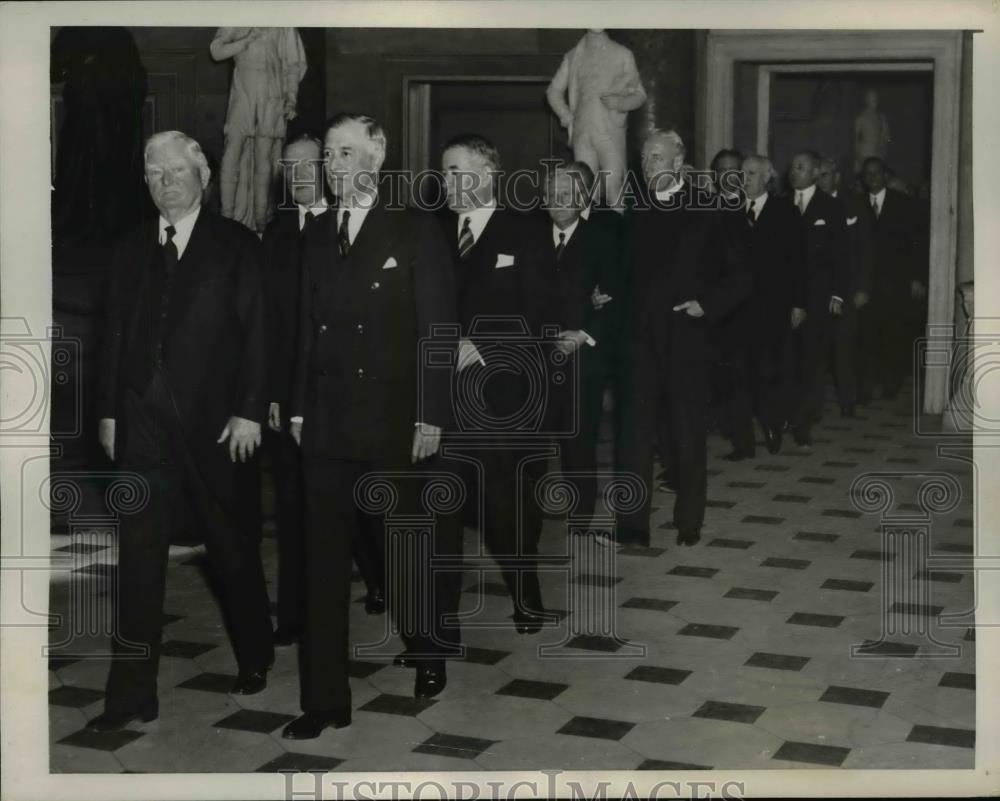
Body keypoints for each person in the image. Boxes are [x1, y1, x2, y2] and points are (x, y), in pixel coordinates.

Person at [89, 131, 274, 732]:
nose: (164, 181)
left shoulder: (237, 245)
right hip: (142, 420)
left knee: (230, 547)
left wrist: (249, 409)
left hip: (216, 425)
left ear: (203, 177)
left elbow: (258, 335)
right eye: (153, 173)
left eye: (175, 170)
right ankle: (131, 695)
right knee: (138, 558)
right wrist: (111, 413)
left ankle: (255, 651)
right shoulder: (127, 247)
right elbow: (112, 337)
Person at [284, 113, 457, 739]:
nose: (334, 167)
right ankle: (325, 700)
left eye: (346, 154)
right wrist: (299, 407)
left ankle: (428, 647)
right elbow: (305, 326)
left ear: (377, 158)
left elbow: (439, 331)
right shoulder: (316, 232)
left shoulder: (414, 228)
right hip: (326, 422)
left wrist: (432, 413)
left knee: (402, 547)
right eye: (328, 156)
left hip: (393, 420)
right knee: (321, 563)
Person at [437, 133, 551, 634]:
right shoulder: (433, 230)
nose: (448, 182)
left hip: (502, 395)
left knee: (505, 506)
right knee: (439, 507)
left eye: (458, 171)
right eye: (444, 172)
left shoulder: (526, 232)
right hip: (439, 395)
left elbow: (542, 313)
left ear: (487, 175)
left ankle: (526, 594)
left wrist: (482, 346)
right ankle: (439, 621)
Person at [615, 130, 748, 548]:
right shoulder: (633, 208)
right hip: (639, 340)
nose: (650, 165)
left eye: (657, 157)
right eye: (645, 158)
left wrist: (706, 304)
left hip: (687, 339)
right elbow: (622, 269)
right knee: (634, 437)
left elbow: (742, 275)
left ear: (679, 161)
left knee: (687, 434)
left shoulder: (708, 206)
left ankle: (689, 521)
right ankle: (633, 528)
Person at [259, 135, 327, 648]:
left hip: (343, 393)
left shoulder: (349, 223)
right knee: (293, 505)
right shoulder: (277, 233)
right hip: (288, 395)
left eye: (309, 163)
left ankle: (378, 580)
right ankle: (298, 614)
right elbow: (271, 326)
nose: (299, 173)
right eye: (290, 166)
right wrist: (272, 394)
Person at [538, 161, 620, 522]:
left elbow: (617, 297)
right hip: (537, 356)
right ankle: (529, 512)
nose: (558, 201)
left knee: (578, 441)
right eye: (552, 195)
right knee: (533, 440)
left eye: (567, 195)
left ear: (582, 198)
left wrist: (584, 334)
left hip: (582, 357)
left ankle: (581, 515)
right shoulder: (529, 238)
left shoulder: (603, 240)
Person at [724, 155, 804, 459]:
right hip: (735, 309)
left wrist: (798, 303)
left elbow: (797, 261)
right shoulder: (729, 211)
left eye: (752, 173)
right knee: (737, 376)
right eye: (742, 172)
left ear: (767, 178)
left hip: (772, 307)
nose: (744, 178)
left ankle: (772, 425)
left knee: (768, 371)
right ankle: (743, 444)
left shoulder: (785, 211)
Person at [210, 27, 307, 232]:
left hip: (271, 93)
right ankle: (227, 219)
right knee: (232, 150)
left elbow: (293, 65)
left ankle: (262, 223)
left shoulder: (283, 24)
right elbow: (216, 51)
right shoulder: (238, 14)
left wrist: (291, 99)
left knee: (264, 157)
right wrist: (246, 40)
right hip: (243, 91)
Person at [786, 150, 849, 447]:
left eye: (801, 167)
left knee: (812, 359)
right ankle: (789, 412)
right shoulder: (781, 205)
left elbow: (841, 255)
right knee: (788, 358)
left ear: (815, 173)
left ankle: (804, 421)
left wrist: (837, 292)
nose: (794, 172)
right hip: (786, 296)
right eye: (793, 167)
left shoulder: (831, 207)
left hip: (818, 296)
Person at [546, 29, 647, 211]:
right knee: (583, 192)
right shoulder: (573, 56)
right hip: (582, 134)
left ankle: (618, 236)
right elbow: (553, 91)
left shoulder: (622, 54)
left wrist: (620, 102)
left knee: (613, 188)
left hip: (610, 132)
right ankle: (585, 236)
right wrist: (566, 116)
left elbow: (639, 95)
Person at [858, 156, 927, 402]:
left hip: (895, 282)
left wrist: (917, 278)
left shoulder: (903, 204)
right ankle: (864, 388)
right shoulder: (856, 204)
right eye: (868, 174)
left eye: (877, 173)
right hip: (865, 284)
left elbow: (917, 244)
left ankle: (891, 383)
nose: (873, 177)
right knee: (866, 335)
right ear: (863, 178)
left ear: (885, 176)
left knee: (893, 334)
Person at [817, 156, 874, 417]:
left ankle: (847, 401)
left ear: (837, 177)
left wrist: (862, 287)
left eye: (826, 175)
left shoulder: (853, 205)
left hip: (848, 287)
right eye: (817, 175)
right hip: (816, 289)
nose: (821, 180)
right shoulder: (806, 204)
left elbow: (865, 250)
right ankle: (813, 404)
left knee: (844, 346)